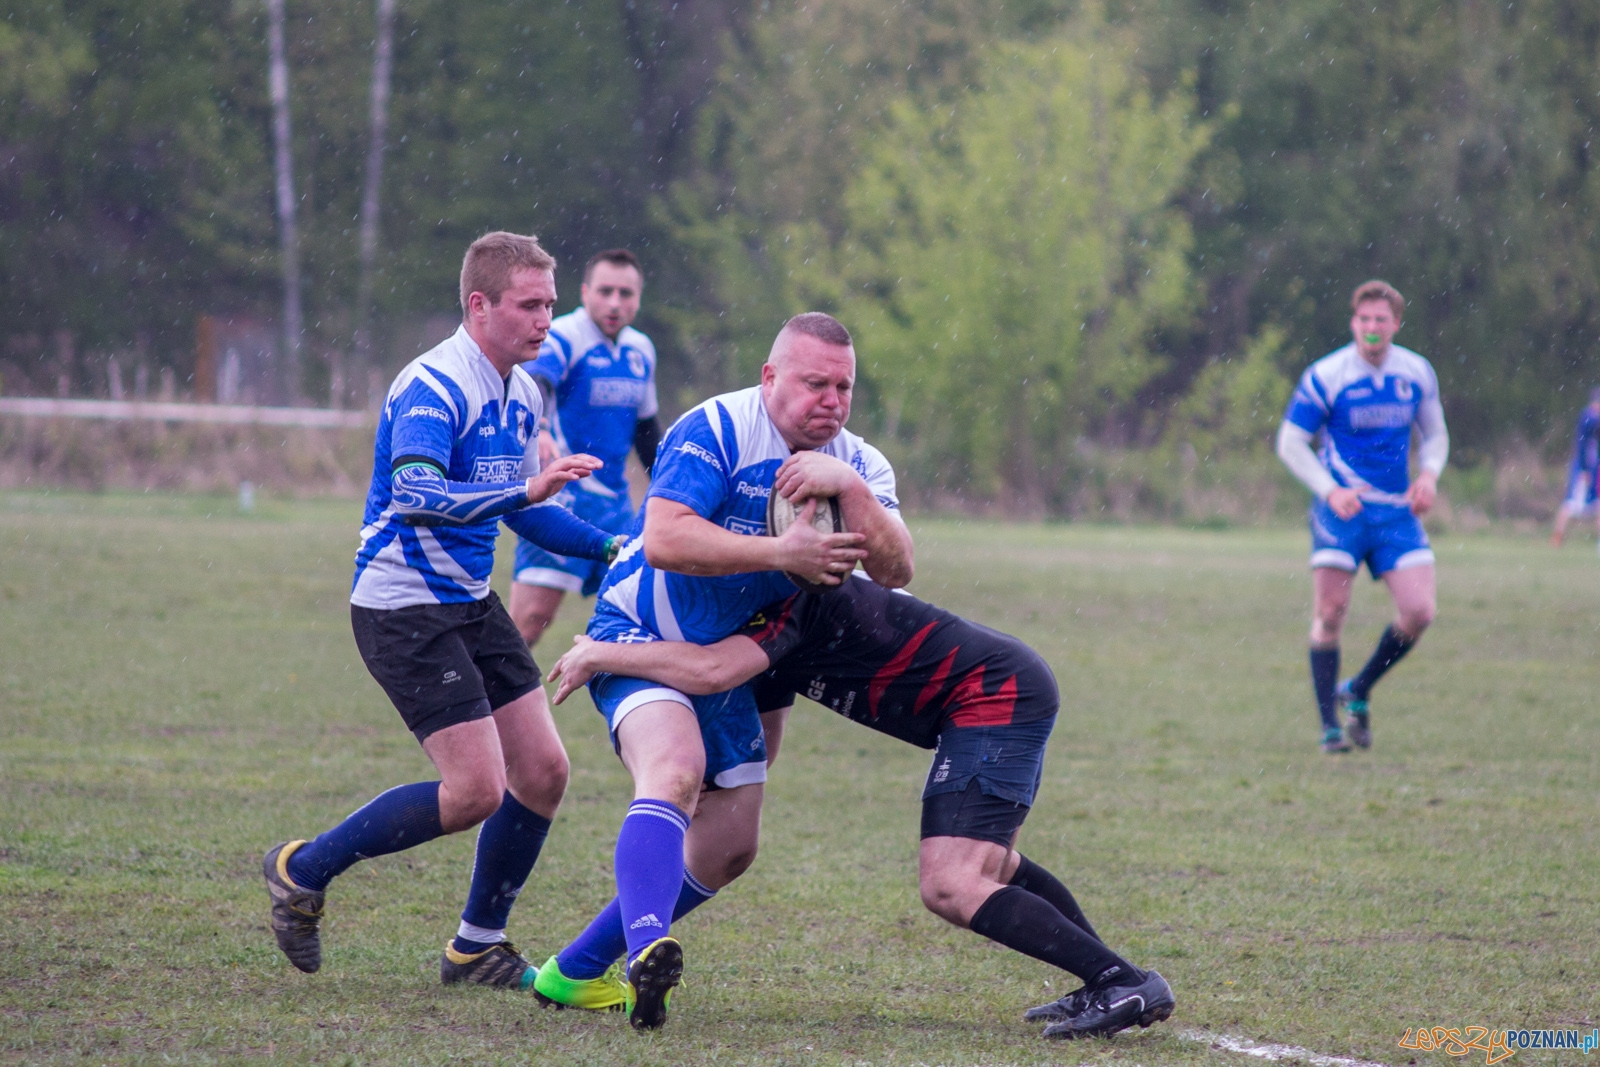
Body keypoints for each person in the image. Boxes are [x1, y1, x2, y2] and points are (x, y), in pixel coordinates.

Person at [541, 576, 1177, 1040]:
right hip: (995, 693)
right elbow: (766, 739)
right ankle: (1108, 981)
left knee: (952, 884)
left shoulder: (791, 596)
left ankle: (1122, 982)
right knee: (990, 865)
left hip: (994, 694)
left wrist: (602, 652)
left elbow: (709, 670)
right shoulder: (751, 614)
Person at [261, 232, 625, 989]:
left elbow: (524, 513)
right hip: (402, 605)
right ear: (479, 304)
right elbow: (419, 497)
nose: (545, 322)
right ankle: (302, 868)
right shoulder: (433, 386)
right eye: (531, 305)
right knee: (474, 792)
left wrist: (611, 548)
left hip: (466, 600)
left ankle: (475, 946)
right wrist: (525, 491)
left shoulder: (522, 390)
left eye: (552, 306)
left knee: (545, 770)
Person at [534, 312, 915, 1030]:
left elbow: (896, 570)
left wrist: (852, 491)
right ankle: (648, 952)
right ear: (770, 377)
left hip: (726, 656)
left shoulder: (861, 463)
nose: (831, 400)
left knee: (732, 842)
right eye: (814, 383)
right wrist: (783, 556)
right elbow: (666, 537)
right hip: (640, 628)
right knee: (675, 770)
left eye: (845, 386)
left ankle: (574, 971)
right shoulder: (716, 429)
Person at [1276, 280, 1448, 754]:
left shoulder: (1416, 372)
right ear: (1354, 322)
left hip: (1395, 512)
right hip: (1342, 512)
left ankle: (1358, 687)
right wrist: (1329, 489)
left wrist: (1429, 476)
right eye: (1364, 319)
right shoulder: (1327, 374)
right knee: (1330, 614)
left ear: (1396, 324)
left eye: (1381, 320)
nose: (1372, 328)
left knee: (1419, 612)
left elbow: (1434, 435)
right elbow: (1290, 442)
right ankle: (1329, 727)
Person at [508, 249, 662, 647]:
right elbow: (536, 379)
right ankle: (478, 702)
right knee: (530, 621)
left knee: (639, 616)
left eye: (625, 293)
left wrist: (672, 486)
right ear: (584, 292)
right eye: (605, 290)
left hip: (615, 506)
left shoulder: (641, 350)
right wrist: (540, 428)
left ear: (639, 298)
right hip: (563, 500)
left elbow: (647, 433)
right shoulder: (565, 335)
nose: (615, 302)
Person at [1551, 388, 1600, 549]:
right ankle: (1557, 538)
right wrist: (1584, 470)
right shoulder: (1588, 416)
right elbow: (1581, 447)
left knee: (1596, 506)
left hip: (1592, 470)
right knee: (1571, 506)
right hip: (1584, 470)